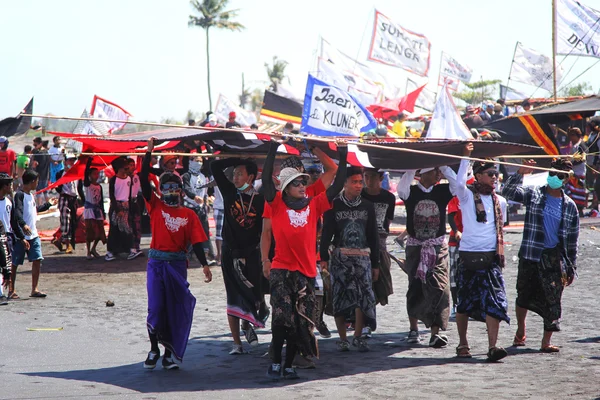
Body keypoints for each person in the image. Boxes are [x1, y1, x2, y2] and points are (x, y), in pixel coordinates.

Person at [260, 140, 347, 379]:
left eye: (303, 181)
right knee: (281, 319)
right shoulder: (275, 204)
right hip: (281, 270)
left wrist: (343, 151)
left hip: (306, 273)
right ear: (286, 188)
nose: (302, 185)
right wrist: (273, 148)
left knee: (300, 322)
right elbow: (267, 180)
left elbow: (338, 180)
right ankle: (276, 362)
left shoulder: (315, 203)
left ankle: (288, 365)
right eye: (296, 183)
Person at [140, 138, 212, 370]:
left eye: (175, 187)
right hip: (156, 264)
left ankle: (170, 354)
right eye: (166, 187)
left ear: (181, 190)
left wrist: (204, 265)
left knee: (175, 308)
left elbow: (198, 243)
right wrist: (149, 152)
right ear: (161, 190)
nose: (171, 191)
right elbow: (142, 180)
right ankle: (153, 350)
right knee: (156, 307)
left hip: (178, 266)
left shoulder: (189, 215)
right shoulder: (155, 205)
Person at [503, 159, 579, 352]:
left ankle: (546, 341)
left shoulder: (570, 206)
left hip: (553, 257)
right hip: (531, 252)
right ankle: (521, 331)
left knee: (553, 298)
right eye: (552, 174)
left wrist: (571, 267)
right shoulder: (534, 193)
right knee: (524, 294)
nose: (555, 178)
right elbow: (508, 192)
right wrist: (521, 172)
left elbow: (572, 241)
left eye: (560, 176)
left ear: (567, 179)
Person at [455, 143, 509, 361]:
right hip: (468, 256)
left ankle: (493, 347)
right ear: (477, 176)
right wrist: (466, 156)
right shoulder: (466, 197)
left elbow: (500, 228)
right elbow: (459, 182)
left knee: (495, 302)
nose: (495, 177)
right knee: (464, 303)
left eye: (496, 173)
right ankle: (462, 344)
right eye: (490, 174)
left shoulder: (501, 201)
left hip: (490, 259)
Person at [211, 155, 267, 354]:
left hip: (252, 255)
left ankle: (247, 325)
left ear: (251, 177)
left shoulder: (260, 200)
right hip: (230, 254)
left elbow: (264, 231)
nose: (235, 177)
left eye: (240, 173)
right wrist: (237, 159)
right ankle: (237, 343)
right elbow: (215, 166)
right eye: (234, 174)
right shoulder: (228, 193)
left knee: (254, 296)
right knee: (233, 296)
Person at [396, 165, 457, 348]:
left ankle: (435, 333)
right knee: (415, 287)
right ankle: (413, 329)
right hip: (415, 247)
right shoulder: (410, 192)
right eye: (434, 171)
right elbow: (401, 189)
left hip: (437, 247)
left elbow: (458, 186)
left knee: (440, 288)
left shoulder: (442, 191)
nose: (438, 174)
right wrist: (413, 164)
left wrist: (445, 165)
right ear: (422, 174)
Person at [320, 167, 379, 353]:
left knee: (363, 299)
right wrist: (323, 258)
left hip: (363, 259)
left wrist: (376, 264)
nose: (359, 185)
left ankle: (358, 336)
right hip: (340, 259)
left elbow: (373, 236)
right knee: (339, 296)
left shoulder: (368, 206)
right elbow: (326, 234)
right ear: (344, 183)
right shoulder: (333, 205)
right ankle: (343, 338)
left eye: (360, 182)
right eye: (354, 182)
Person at [11, 170, 57, 299]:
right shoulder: (19, 195)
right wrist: (23, 224)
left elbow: (34, 210)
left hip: (33, 234)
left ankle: (34, 289)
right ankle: (11, 289)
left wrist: (48, 205)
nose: (37, 183)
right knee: (15, 263)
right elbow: (18, 213)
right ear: (32, 182)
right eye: (36, 181)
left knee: (37, 259)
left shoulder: (31, 195)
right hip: (21, 235)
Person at [361, 169, 396, 324]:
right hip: (361, 242)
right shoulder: (359, 195)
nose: (368, 180)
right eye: (366, 177)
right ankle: (365, 319)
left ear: (381, 178)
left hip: (380, 243)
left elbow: (387, 223)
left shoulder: (388, 197)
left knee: (380, 281)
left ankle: (369, 315)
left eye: (373, 177)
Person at [182, 156, 216, 264]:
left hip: (201, 208)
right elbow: (187, 189)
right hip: (189, 206)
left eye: (201, 161)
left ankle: (206, 256)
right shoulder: (187, 176)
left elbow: (205, 191)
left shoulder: (202, 176)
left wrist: (206, 202)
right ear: (191, 162)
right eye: (196, 161)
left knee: (204, 231)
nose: (199, 163)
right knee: (188, 232)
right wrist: (194, 197)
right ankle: (185, 254)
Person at [0, 173, 26, 302]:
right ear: (4, 186)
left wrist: (22, 238)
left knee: (6, 265)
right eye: (9, 184)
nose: (12, 187)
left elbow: (13, 222)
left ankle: (4, 292)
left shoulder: (9, 202)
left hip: (8, 238)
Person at [105, 157, 137, 261]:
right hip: (117, 207)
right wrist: (117, 210)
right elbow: (112, 196)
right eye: (125, 168)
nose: (127, 170)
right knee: (114, 229)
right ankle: (110, 251)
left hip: (126, 205)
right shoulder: (114, 180)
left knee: (127, 228)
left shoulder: (129, 178)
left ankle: (130, 249)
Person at [83, 157, 106, 260]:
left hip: (98, 210)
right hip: (89, 210)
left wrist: (103, 212)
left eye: (97, 174)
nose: (96, 176)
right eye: (94, 174)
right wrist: (89, 162)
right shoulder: (88, 185)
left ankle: (93, 248)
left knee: (100, 231)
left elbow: (101, 200)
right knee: (90, 231)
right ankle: (88, 251)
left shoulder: (99, 186)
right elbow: (85, 175)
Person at [54, 154, 79, 254]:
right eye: (70, 160)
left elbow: (78, 187)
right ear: (65, 162)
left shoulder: (77, 173)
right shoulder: (60, 174)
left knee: (73, 222)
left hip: (74, 199)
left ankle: (59, 240)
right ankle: (68, 245)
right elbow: (58, 188)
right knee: (66, 221)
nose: (72, 163)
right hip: (65, 198)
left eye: (73, 160)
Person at [564, 127, 588, 216]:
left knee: (578, 192)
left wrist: (571, 163)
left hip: (579, 173)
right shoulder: (574, 145)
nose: (570, 138)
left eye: (572, 136)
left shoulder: (581, 145)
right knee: (571, 191)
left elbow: (582, 158)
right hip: (573, 173)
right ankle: (573, 209)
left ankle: (579, 210)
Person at [127, 158, 144, 258]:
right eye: (130, 165)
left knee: (137, 225)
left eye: (133, 164)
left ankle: (137, 246)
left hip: (135, 201)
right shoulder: (124, 177)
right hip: (127, 202)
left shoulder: (136, 177)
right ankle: (131, 247)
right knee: (129, 226)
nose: (132, 167)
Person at [31, 137, 50, 207]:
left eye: (35, 145)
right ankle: (47, 204)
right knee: (45, 191)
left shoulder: (38, 153)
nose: (35, 147)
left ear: (40, 144)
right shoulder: (46, 152)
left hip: (39, 175)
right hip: (46, 174)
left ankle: (39, 205)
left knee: (39, 191)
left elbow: (35, 164)